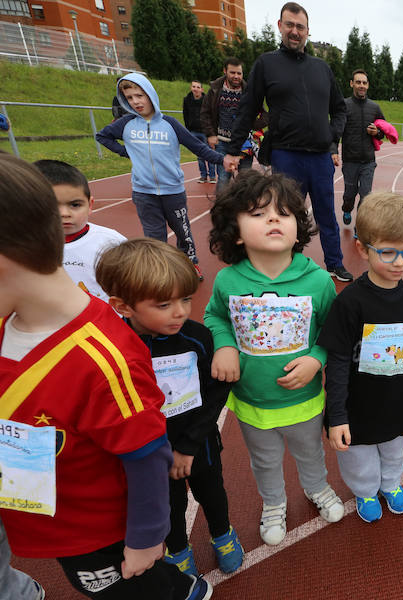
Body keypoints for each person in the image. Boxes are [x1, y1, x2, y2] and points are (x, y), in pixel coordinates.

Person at [0, 154, 211, 599]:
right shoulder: (8, 324)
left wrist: (146, 538)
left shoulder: (105, 359)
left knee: (132, 591)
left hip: (98, 533)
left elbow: (146, 453)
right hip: (49, 513)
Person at [205, 170, 344, 547]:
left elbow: (334, 331)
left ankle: (318, 488)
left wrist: (316, 358)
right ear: (234, 231)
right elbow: (214, 316)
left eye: (283, 213)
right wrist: (224, 344)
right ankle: (273, 503)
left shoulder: (317, 281)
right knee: (264, 461)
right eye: (257, 212)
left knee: (311, 453)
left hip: (304, 400)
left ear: (298, 231)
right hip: (253, 402)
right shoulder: (227, 281)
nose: (272, 219)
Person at [97, 239, 243, 576]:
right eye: (164, 304)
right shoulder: (116, 348)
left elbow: (216, 393)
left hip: (199, 442)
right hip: (150, 450)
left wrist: (189, 446)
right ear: (123, 306)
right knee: (168, 504)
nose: (180, 311)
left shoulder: (198, 338)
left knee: (212, 492)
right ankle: (177, 549)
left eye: (186, 299)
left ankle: (223, 535)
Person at [222, 3, 352, 282]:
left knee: (326, 215)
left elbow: (340, 109)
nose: (295, 31)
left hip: (319, 157)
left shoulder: (322, 68)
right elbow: (248, 109)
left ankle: (334, 263)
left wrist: (332, 137)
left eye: (300, 27)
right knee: (285, 215)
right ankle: (288, 266)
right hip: (285, 156)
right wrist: (233, 150)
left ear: (307, 31)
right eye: (290, 25)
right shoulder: (266, 64)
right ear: (280, 26)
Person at [320, 193, 403, 522]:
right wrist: (336, 416)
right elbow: (336, 361)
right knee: (360, 453)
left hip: (396, 398)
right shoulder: (350, 303)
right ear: (363, 249)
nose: (400, 262)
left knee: (395, 445)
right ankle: (365, 490)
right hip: (359, 404)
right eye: (388, 252)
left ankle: (391, 483)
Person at [96, 73, 223, 281]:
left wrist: (221, 159)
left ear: (150, 95)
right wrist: (124, 151)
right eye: (129, 98)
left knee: (183, 233)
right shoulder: (126, 124)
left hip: (173, 192)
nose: (135, 101)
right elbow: (102, 136)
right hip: (143, 193)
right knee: (155, 237)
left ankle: (190, 263)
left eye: (140, 95)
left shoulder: (170, 124)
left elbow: (197, 146)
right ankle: (162, 269)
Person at [33, 159, 126, 302]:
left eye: (75, 205)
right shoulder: (22, 247)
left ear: (90, 205)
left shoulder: (111, 241)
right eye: (52, 204)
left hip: (106, 320)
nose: (64, 213)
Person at [200, 57, 269, 191]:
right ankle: (222, 210)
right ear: (225, 71)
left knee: (245, 181)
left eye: (239, 73)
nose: (236, 76)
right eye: (233, 73)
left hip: (244, 144)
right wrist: (210, 134)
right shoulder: (215, 90)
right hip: (223, 143)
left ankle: (243, 210)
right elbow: (205, 113)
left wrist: (252, 125)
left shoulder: (249, 92)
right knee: (223, 180)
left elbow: (266, 115)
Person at [331, 69, 386, 226]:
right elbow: (335, 131)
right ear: (352, 84)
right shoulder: (344, 106)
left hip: (368, 161)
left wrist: (378, 133)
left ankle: (360, 227)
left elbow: (384, 130)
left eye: (364, 82)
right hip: (350, 161)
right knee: (350, 194)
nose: (361, 85)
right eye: (358, 82)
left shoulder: (374, 108)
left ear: (367, 85)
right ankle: (347, 208)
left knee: (366, 195)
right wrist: (333, 150)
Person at [183, 81, 214, 183]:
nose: (195, 89)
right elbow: (185, 115)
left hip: (205, 132)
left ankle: (212, 176)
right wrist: (188, 129)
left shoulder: (207, 100)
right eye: (193, 86)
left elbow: (211, 115)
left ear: (202, 89)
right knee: (199, 156)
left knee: (209, 153)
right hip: (193, 131)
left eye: (198, 87)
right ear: (191, 87)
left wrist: (211, 131)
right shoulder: (187, 100)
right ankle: (203, 176)